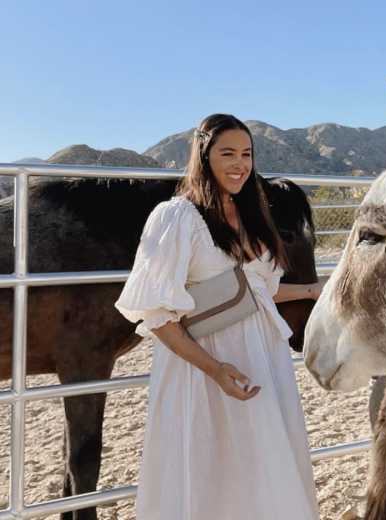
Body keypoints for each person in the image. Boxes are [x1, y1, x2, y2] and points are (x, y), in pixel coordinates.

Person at [115, 114, 322, 519]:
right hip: (204, 365)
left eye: (246, 154)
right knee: (210, 467)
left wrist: (314, 291)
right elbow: (157, 315)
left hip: (263, 358)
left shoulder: (254, 216)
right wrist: (214, 369)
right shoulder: (176, 217)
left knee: (263, 464)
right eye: (228, 153)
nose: (239, 163)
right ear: (204, 156)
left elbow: (260, 290)